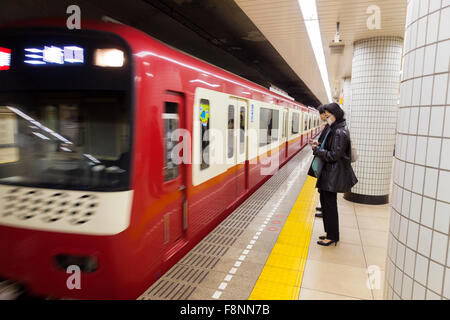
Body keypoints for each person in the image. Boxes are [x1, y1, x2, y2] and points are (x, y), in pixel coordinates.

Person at [310, 102, 358, 247]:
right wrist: (319, 147)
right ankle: (329, 233)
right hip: (330, 172)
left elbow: (334, 155)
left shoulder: (339, 132)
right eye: (324, 114)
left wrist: (317, 150)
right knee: (326, 204)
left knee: (329, 205)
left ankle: (332, 236)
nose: (325, 117)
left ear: (335, 114)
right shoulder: (337, 128)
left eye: (328, 115)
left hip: (332, 174)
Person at [307, 105, 329, 218]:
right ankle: (324, 208)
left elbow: (332, 152)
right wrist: (318, 144)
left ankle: (326, 211)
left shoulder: (334, 129)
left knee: (326, 193)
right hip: (324, 161)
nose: (322, 116)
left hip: (326, 164)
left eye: (323, 114)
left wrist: (317, 149)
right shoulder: (329, 127)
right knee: (322, 190)